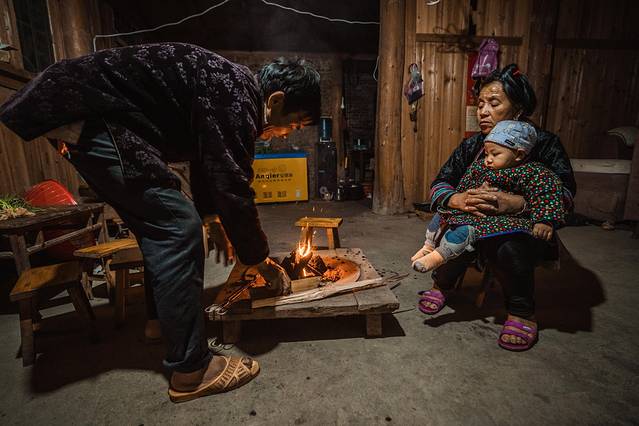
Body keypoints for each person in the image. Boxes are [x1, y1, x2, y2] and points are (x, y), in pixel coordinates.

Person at [0, 42, 321, 402]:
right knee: (178, 229)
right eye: (293, 123)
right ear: (275, 100)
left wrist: (212, 217)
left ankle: (159, 323)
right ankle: (192, 371)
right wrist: (258, 258)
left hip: (89, 115)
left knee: (161, 225)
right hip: (95, 115)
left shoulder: (230, 89)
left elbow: (206, 157)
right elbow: (232, 183)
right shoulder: (237, 94)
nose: (287, 132)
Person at [413, 64, 576, 352]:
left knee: (509, 244)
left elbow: (564, 194)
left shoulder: (544, 144)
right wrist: (457, 200)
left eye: (494, 103)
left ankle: (521, 312)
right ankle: (442, 284)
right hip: (471, 218)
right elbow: (441, 182)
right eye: (480, 104)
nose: (483, 112)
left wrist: (518, 204)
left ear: (518, 108)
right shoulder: (474, 145)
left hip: (520, 225)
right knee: (453, 229)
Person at [411, 120, 565, 277]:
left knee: (465, 230)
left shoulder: (534, 173)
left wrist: (544, 220)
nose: (488, 159)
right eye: (486, 154)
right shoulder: (480, 166)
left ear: (519, 154)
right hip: (472, 209)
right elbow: (464, 184)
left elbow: (547, 194)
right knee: (441, 215)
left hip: (503, 218)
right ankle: (428, 247)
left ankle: (438, 256)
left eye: (495, 154)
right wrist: (462, 198)